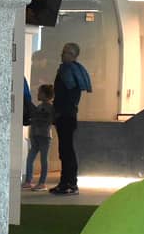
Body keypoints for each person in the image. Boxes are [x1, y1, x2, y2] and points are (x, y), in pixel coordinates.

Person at [49, 42, 92, 195]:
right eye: (63, 51)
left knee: (66, 151)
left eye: (66, 52)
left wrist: (59, 111)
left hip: (65, 115)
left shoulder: (68, 71)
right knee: (65, 150)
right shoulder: (73, 71)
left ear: (73, 55)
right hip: (67, 115)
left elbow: (66, 96)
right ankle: (66, 182)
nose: (62, 55)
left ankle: (69, 184)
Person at [23, 84, 55, 191]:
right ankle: (28, 181)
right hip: (36, 135)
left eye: (40, 92)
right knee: (30, 158)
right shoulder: (39, 107)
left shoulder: (50, 108)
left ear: (45, 95)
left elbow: (50, 120)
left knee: (43, 159)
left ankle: (42, 182)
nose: (38, 94)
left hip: (44, 136)